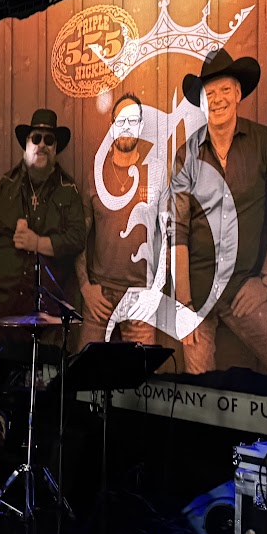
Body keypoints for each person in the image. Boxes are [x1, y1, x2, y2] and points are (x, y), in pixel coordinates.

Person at [171, 49, 267, 390]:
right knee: (199, 394)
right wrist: (184, 305)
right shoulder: (187, 153)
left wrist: (265, 281)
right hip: (198, 292)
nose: (217, 99)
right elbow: (177, 230)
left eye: (225, 90)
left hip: (242, 288)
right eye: (209, 93)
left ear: (238, 93)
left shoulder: (265, 142)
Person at [0, 108, 88, 329]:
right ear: (26, 144)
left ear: (55, 148)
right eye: (36, 138)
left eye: (49, 140)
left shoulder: (68, 189)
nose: (42, 145)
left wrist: (38, 243)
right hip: (1, 306)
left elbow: (77, 239)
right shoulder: (6, 185)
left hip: (46, 314)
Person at [76, 94, 157, 347]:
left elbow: (170, 237)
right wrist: (86, 287)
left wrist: (154, 293)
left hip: (140, 297)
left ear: (141, 126)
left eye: (133, 120)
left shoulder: (155, 173)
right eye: (120, 120)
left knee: (140, 371)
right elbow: (79, 237)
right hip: (100, 295)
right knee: (86, 368)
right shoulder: (95, 176)